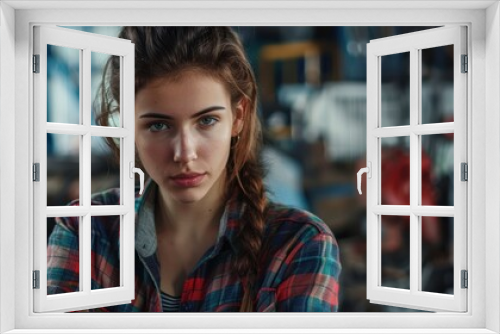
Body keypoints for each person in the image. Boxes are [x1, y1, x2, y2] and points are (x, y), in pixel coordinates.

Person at [47, 26, 341, 312]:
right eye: (158, 125)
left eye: (206, 121)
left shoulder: (298, 245)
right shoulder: (86, 229)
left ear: (238, 117)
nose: (184, 153)